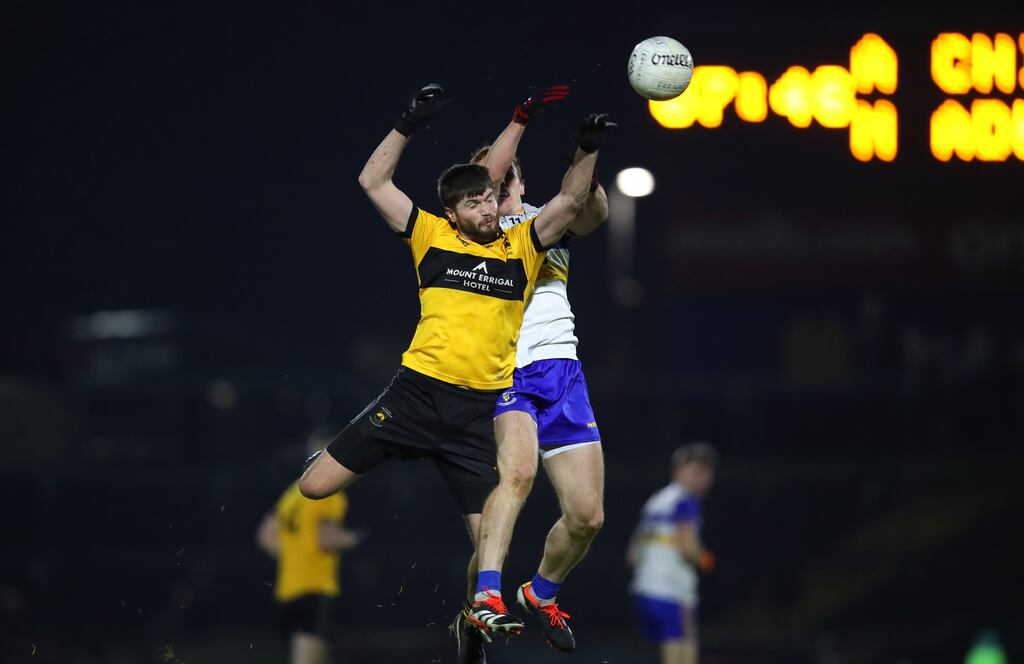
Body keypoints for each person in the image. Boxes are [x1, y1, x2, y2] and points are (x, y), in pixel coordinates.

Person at [297, 83, 613, 662]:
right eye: (480, 196)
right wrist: (416, 122)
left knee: (541, 527)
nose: (491, 202)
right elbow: (382, 182)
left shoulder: (526, 239)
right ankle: (487, 597)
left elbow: (579, 204)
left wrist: (585, 150)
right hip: (432, 393)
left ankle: (486, 609)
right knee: (315, 487)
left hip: (489, 401)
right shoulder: (437, 234)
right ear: (458, 208)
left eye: (499, 191)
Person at [461, 87, 611, 653]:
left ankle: (539, 593)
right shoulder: (470, 235)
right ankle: (485, 597)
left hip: (563, 375)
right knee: (518, 475)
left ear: (522, 186)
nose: (499, 191)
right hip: (506, 375)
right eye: (489, 185)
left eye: (507, 182)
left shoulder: (544, 221)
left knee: (588, 516)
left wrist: (587, 154)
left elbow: (591, 211)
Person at [257, 427, 362, 664]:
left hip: (287, 590)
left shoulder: (293, 492)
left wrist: (294, 555)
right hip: (314, 589)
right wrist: (356, 539)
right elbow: (326, 538)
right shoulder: (329, 491)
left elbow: (265, 536)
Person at [628, 443, 718, 664]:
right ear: (678, 472)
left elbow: (632, 554)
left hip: (643, 590)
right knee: (684, 649)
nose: (702, 477)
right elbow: (688, 548)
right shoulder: (686, 500)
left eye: (705, 471)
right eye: (696, 470)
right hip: (673, 592)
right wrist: (705, 560)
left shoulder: (657, 500)